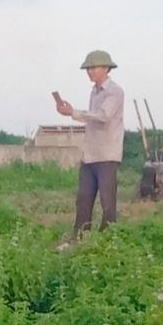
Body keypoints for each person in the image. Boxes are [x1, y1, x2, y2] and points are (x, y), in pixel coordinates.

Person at [54, 49, 125, 242]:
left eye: (93, 68)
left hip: (107, 155)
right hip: (90, 154)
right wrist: (71, 112)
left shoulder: (115, 92)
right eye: (88, 69)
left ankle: (108, 240)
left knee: (107, 202)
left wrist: (73, 112)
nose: (90, 72)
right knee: (83, 199)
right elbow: (92, 119)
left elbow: (103, 116)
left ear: (105, 68)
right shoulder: (94, 92)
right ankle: (79, 238)